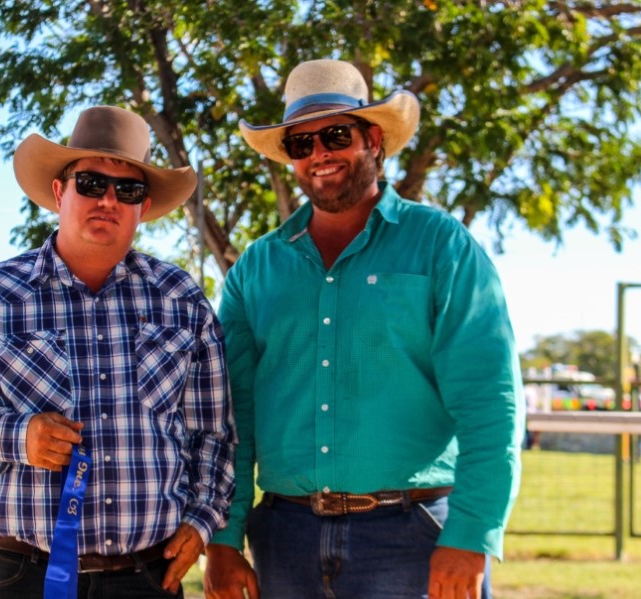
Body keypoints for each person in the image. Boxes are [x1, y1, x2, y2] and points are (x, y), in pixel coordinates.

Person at [204, 59, 525, 599]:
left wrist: (471, 535)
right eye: (301, 145)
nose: (319, 155)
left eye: (334, 135)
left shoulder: (442, 247)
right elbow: (231, 417)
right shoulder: (255, 269)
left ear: (373, 140)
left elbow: (491, 403)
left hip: (416, 536)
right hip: (285, 541)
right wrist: (225, 537)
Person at [0, 105, 236, 598]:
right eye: (91, 183)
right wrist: (15, 435)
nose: (109, 200)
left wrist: (203, 518)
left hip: (146, 576)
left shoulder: (180, 299)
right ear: (60, 192)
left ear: (144, 206)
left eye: (129, 189)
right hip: (23, 574)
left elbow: (213, 433)